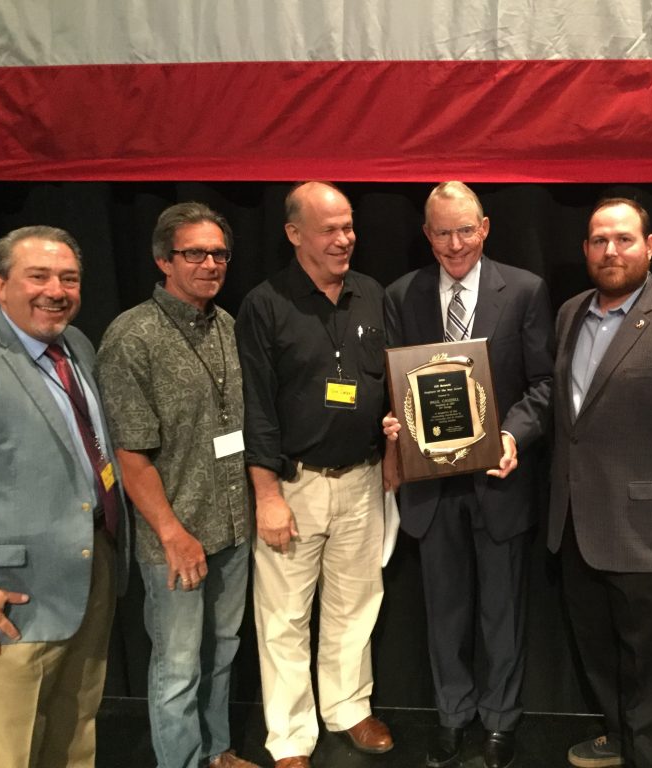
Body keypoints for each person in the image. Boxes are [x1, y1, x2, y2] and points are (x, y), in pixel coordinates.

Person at [383, 181, 553, 768]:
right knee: (445, 613)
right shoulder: (403, 294)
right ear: (427, 235)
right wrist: (394, 422)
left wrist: (512, 436)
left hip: (500, 481)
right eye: (441, 232)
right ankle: (452, 716)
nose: (454, 244)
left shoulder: (526, 290)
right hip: (432, 487)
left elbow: (544, 386)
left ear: (484, 227)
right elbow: (398, 384)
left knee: (502, 612)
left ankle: (501, 721)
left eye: (464, 230)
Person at [547, 198, 652, 768]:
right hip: (576, 523)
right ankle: (620, 739)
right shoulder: (570, 312)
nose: (610, 250)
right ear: (585, 249)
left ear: (649, 246)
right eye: (599, 240)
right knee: (598, 654)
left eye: (623, 239)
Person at [235, 182, 392, 768]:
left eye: (348, 226)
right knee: (283, 617)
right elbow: (256, 405)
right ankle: (291, 736)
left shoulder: (371, 293)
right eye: (329, 229)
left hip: (362, 480)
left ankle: (348, 707)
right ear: (294, 233)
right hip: (293, 485)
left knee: (356, 603)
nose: (344, 239)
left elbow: (392, 382)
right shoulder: (265, 303)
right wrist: (267, 493)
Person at [96, 203, 257, 768]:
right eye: (195, 253)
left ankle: (217, 752)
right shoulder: (131, 337)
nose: (210, 263)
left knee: (223, 652)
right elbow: (129, 452)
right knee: (178, 666)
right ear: (164, 260)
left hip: (235, 529)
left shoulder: (229, 326)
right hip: (176, 538)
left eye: (218, 253)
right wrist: (170, 532)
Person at [0, 226, 129, 767]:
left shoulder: (77, 345)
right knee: (4, 749)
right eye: (37, 276)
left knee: (74, 730)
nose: (55, 290)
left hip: (90, 569)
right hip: (10, 598)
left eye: (69, 278)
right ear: (0, 285)